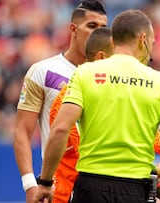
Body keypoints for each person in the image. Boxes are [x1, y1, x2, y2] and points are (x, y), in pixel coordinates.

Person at [34, 9, 160, 203]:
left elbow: (59, 129)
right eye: (151, 43)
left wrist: (45, 182)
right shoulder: (159, 81)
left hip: (90, 186)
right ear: (143, 39)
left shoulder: (84, 74)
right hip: (135, 188)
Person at [12, 1, 107, 203]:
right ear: (73, 29)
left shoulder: (111, 75)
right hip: (57, 186)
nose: (98, 34)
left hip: (103, 184)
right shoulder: (44, 71)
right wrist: (30, 185)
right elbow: (22, 131)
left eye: (103, 29)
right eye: (92, 26)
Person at [49, 27, 113, 203]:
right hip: (70, 192)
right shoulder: (71, 93)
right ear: (102, 57)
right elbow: (69, 136)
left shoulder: (117, 94)